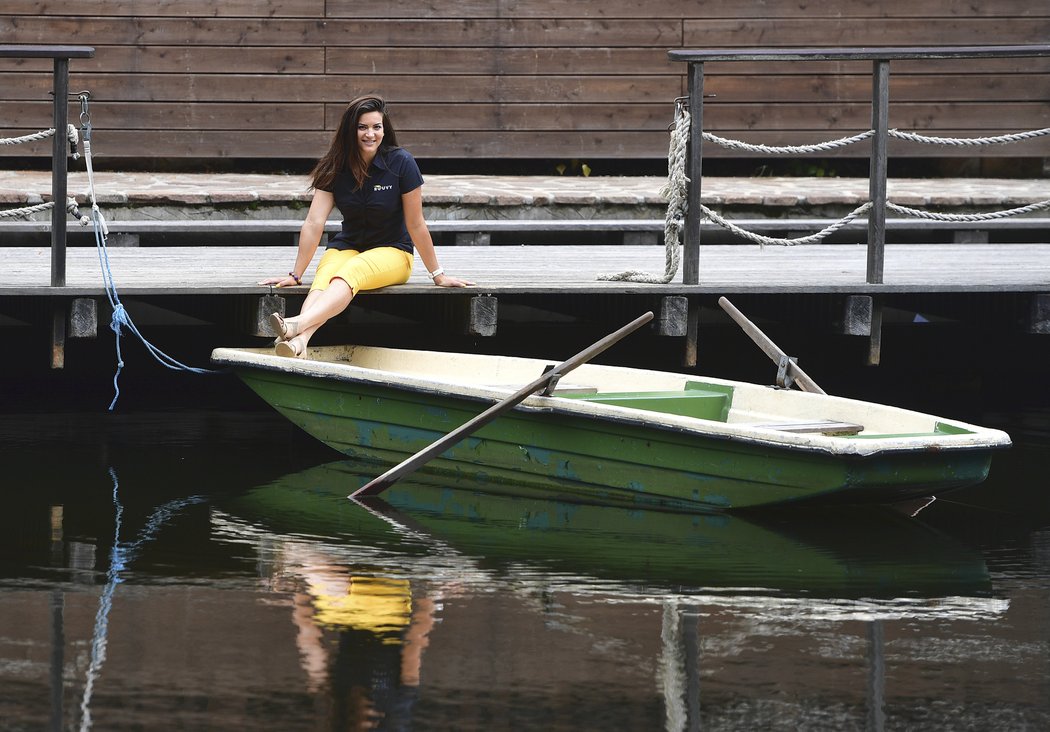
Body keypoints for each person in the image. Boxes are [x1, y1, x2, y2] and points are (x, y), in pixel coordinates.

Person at [259, 95, 472, 358]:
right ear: (351, 129)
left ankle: (297, 324)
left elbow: (416, 223)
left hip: (394, 251)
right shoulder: (335, 164)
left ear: (385, 129)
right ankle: (299, 343)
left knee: (351, 271)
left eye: (376, 127)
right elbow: (314, 222)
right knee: (325, 276)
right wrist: (295, 275)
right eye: (362, 127)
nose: (370, 134)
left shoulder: (401, 163)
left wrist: (437, 274)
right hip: (348, 244)